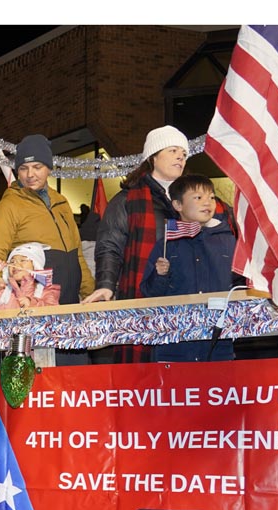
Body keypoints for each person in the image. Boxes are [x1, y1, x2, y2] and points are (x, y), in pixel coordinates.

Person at [81, 126, 236, 362]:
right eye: (173, 150)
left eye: (183, 153)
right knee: (145, 377)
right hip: (144, 295)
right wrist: (105, 284)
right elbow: (110, 246)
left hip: (196, 300)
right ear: (153, 156)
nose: (180, 157)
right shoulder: (127, 200)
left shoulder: (208, 201)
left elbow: (232, 241)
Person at [0, 134, 93, 366]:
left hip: (70, 307)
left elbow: (77, 253)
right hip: (37, 307)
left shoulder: (61, 202)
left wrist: (90, 292)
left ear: (49, 168)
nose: (30, 174)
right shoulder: (9, 206)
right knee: (45, 378)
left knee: (76, 377)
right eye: (23, 168)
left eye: (37, 167)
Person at [140, 174, 244, 362]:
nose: (207, 203)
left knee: (217, 390)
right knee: (175, 391)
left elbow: (240, 285)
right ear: (178, 205)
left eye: (211, 197)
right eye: (198, 197)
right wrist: (160, 275)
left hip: (218, 343)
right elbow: (149, 294)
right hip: (174, 343)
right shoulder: (167, 244)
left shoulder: (228, 241)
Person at [0, 242, 62, 310]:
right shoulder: (3, 292)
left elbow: (52, 310)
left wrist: (31, 303)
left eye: (22, 260)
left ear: (35, 266)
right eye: (12, 261)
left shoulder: (47, 291)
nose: (16, 265)